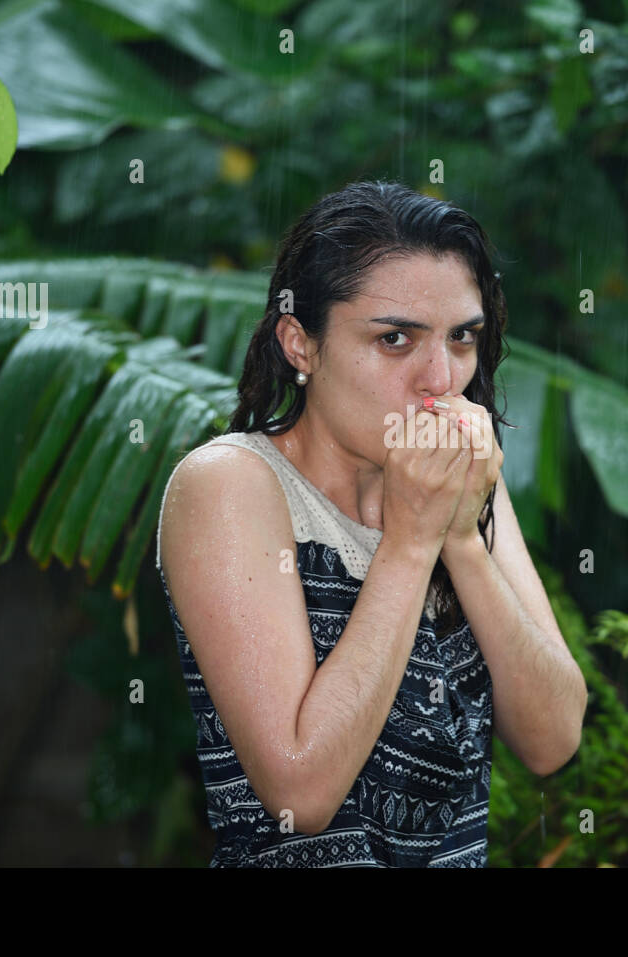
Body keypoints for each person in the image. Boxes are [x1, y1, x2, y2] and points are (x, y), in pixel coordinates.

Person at [155, 180, 586, 867]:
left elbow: (554, 736)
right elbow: (301, 789)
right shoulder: (231, 485)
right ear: (300, 343)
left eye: (462, 337)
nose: (441, 378)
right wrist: (412, 542)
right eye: (395, 339)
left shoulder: (465, 483)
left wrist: (460, 538)